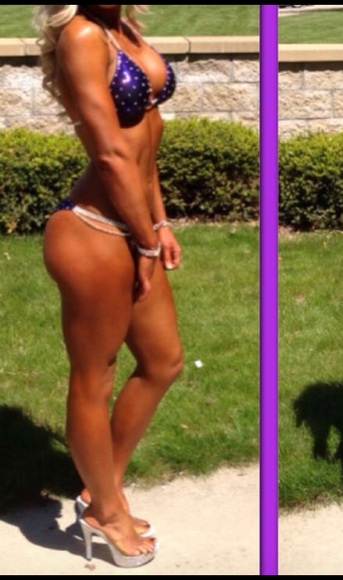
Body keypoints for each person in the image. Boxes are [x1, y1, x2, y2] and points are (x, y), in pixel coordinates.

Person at [34, 5, 184, 566]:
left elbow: (146, 142)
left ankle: (102, 492)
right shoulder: (80, 34)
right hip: (92, 232)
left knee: (164, 361)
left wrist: (158, 224)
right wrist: (144, 240)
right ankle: (109, 511)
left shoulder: (121, 29)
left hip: (135, 224)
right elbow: (110, 153)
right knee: (94, 377)